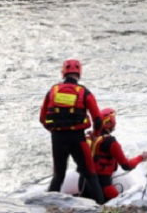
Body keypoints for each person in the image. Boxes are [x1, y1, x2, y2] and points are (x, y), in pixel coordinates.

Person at [40, 59, 105, 204]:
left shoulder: (52, 91)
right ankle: (101, 208)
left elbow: (42, 119)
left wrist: (55, 132)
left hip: (57, 138)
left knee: (58, 176)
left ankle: (46, 207)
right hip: (78, 138)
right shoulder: (84, 92)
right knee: (90, 175)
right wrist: (95, 135)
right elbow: (98, 120)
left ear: (63, 73)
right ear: (79, 73)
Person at [86, 107, 147, 202]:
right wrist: (141, 157)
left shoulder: (87, 137)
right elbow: (126, 165)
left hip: (83, 184)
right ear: (108, 122)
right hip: (104, 186)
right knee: (120, 204)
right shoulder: (111, 142)